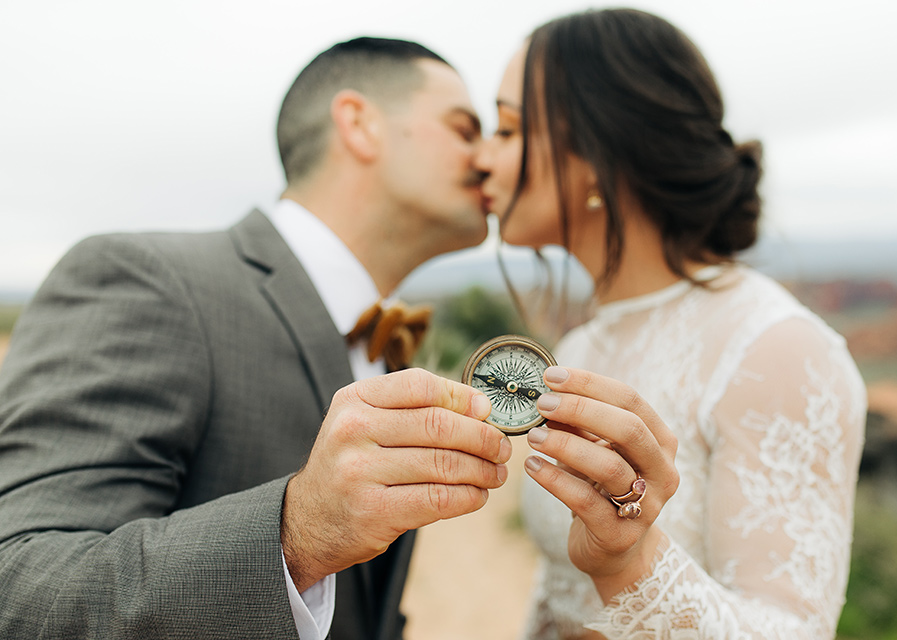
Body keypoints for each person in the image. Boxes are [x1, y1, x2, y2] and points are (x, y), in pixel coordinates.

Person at [0, 37, 513, 640]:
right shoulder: (146, 278)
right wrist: (297, 536)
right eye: (464, 129)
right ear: (359, 124)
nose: (489, 159)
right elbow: (17, 583)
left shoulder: (390, 340)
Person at [475, 8, 867, 639]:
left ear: (598, 152)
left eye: (508, 129)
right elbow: (559, 595)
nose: (482, 160)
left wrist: (627, 561)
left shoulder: (778, 351)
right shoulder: (581, 346)